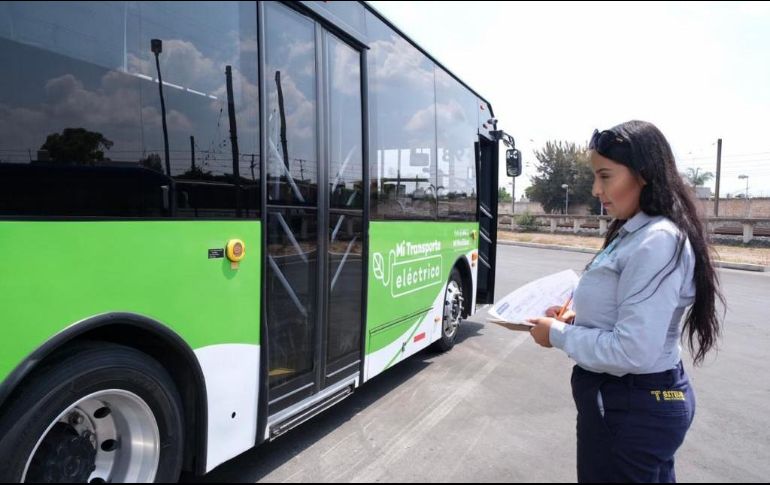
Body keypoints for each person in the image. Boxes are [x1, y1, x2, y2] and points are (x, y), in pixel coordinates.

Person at [527, 120, 723, 483]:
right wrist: (574, 319)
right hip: (629, 406)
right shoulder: (634, 230)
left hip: (629, 409)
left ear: (643, 175)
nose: (596, 189)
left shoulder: (657, 241)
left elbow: (633, 350)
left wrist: (556, 334)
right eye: (594, 177)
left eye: (605, 176)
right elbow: (623, 313)